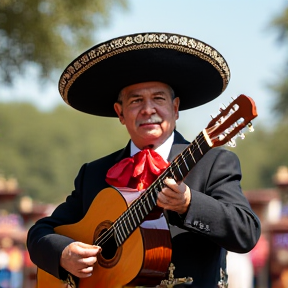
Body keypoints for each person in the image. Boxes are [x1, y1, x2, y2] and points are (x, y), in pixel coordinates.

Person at [27, 32, 261, 288]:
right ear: (120, 113)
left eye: (158, 99)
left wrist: (189, 203)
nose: (148, 109)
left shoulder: (212, 163)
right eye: (136, 100)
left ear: (175, 108)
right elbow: (40, 234)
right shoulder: (94, 173)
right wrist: (64, 253)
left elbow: (246, 232)